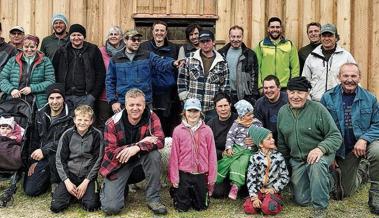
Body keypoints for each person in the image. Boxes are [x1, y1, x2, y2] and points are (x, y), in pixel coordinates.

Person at [277, 76, 342, 217]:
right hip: (298, 159)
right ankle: (328, 180)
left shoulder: (318, 109)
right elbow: (282, 143)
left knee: (316, 166)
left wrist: (321, 149)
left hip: (320, 154)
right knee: (302, 200)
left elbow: (336, 136)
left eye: (300, 92)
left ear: (307, 94)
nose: (295, 96)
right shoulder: (282, 112)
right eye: (292, 92)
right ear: (287, 93)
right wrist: (283, 164)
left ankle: (320, 209)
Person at [321, 63, 379, 215]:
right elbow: (321, 128)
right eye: (345, 76)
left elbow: (377, 124)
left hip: (362, 145)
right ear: (339, 77)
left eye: (353, 76)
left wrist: (364, 139)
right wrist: (330, 152)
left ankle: (376, 193)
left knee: (378, 150)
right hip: (341, 149)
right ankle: (362, 170)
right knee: (345, 191)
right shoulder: (327, 98)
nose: (349, 79)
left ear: (359, 77)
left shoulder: (370, 99)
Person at [99, 88, 167, 215]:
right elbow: (110, 153)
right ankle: (116, 187)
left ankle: (153, 199)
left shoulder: (152, 116)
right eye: (131, 105)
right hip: (118, 165)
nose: (135, 108)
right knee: (111, 208)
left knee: (154, 155)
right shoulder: (112, 123)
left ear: (144, 105)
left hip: (140, 165)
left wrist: (137, 148)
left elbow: (160, 141)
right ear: (125, 105)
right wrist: (136, 145)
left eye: (139, 105)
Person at [106, 29, 180, 114]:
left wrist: (173, 63)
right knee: (124, 127)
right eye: (133, 39)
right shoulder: (116, 58)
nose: (137, 42)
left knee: (147, 127)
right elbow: (110, 81)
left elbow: (160, 62)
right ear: (125, 40)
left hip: (145, 102)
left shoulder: (147, 55)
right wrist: (113, 101)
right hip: (123, 102)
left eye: (138, 40)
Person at [51, 105, 103, 213]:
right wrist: (67, 181)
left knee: (91, 206)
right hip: (70, 175)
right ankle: (70, 193)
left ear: (91, 121)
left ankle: (86, 192)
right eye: (79, 119)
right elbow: (60, 159)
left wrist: (86, 182)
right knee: (56, 207)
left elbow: (97, 159)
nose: (82, 123)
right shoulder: (67, 134)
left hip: (87, 176)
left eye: (86, 120)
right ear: (74, 120)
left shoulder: (97, 135)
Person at [24, 83, 73, 197]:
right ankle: (46, 178)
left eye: (58, 97)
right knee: (31, 190)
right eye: (51, 98)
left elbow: (67, 141)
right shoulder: (40, 114)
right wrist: (33, 161)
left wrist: (44, 150)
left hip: (62, 157)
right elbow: (34, 140)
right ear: (47, 99)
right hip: (42, 157)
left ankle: (55, 181)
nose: (55, 102)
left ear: (63, 98)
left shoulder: (71, 116)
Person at [168, 98, 217, 212]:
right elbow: (174, 156)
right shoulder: (178, 130)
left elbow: (212, 155)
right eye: (190, 111)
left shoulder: (207, 130)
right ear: (184, 112)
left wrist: (211, 177)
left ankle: (198, 194)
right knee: (181, 208)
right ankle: (177, 192)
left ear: (201, 112)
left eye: (196, 111)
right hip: (184, 174)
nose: (192, 114)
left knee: (201, 207)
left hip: (201, 174)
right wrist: (174, 177)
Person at [177, 30, 230, 122]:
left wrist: (219, 103)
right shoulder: (189, 59)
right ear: (199, 43)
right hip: (192, 107)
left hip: (212, 109)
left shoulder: (222, 62)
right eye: (202, 41)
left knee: (211, 134)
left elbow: (225, 86)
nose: (205, 44)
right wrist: (186, 99)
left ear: (213, 42)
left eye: (208, 41)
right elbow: (181, 80)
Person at [140, 20, 181, 137]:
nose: (159, 33)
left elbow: (179, 70)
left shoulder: (175, 48)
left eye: (162, 30)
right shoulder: (144, 47)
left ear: (166, 32)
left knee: (167, 124)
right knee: (150, 123)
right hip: (150, 92)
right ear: (152, 32)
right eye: (156, 30)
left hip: (169, 94)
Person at [216, 99, 262, 200]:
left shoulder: (256, 124)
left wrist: (256, 141)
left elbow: (262, 136)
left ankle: (236, 185)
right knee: (229, 161)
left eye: (252, 114)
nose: (251, 117)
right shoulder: (236, 124)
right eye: (248, 115)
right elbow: (230, 136)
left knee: (243, 163)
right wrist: (229, 148)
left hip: (248, 151)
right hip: (237, 148)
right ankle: (216, 179)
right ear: (241, 116)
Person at [52, 23, 106, 109]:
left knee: (83, 122)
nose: (76, 38)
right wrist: (59, 93)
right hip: (65, 97)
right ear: (69, 36)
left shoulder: (93, 50)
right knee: (66, 122)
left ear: (83, 36)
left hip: (86, 97)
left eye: (79, 35)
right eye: (73, 35)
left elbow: (101, 74)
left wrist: (92, 96)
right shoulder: (61, 51)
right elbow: (53, 72)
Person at [303, 23, 356, 101]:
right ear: (320, 37)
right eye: (324, 36)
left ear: (336, 38)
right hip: (317, 102)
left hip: (339, 101)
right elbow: (305, 79)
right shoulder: (312, 56)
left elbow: (355, 77)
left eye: (330, 35)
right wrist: (308, 100)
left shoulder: (346, 56)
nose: (326, 38)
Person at [0, 34, 55, 109]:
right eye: (26, 47)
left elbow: (50, 81)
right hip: (13, 99)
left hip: (36, 101)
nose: (29, 50)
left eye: (32, 47)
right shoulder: (13, 60)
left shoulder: (45, 61)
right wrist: (11, 89)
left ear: (36, 47)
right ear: (22, 47)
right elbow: (2, 78)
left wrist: (32, 88)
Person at [244, 126, 289, 215]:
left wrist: (274, 189)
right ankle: (261, 203)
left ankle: (270, 203)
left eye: (272, 138)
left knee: (268, 208)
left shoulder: (278, 157)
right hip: (259, 191)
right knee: (249, 208)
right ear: (260, 144)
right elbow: (251, 179)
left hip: (272, 191)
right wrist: (254, 197)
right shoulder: (254, 158)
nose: (272, 140)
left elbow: (285, 176)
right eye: (268, 139)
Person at [255, 17, 300, 90]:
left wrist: (292, 86)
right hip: (267, 87)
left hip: (284, 87)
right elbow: (257, 68)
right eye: (272, 27)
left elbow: (295, 68)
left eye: (277, 27)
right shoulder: (261, 45)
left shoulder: (289, 45)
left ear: (281, 29)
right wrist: (260, 87)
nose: (275, 29)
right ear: (268, 29)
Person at [218, 25, 259, 105]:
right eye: (233, 37)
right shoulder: (221, 53)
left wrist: (253, 96)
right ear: (229, 37)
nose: (236, 39)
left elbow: (254, 77)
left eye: (238, 37)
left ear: (242, 37)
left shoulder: (250, 54)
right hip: (225, 95)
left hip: (244, 96)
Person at [97, 26, 125, 130]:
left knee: (119, 126)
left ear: (121, 37)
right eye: (111, 34)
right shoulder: (100, 51)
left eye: (116, 34)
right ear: (107, 37)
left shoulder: (126, 51)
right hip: (103, 95)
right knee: (103, 125)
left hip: (121, 95)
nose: (113, 36)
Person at [254, 75, 287, 141]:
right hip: (268, 139)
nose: (268, 90)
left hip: (286, 138)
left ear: (279, 87)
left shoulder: (288, 100)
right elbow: (258, 127)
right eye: (266, 88)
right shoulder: (259, 103)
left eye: (271, 87)